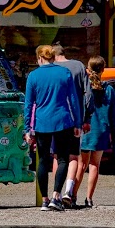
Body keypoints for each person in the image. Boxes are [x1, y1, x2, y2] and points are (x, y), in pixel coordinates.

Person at [22, 44, 84, 210]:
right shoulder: (64, 73)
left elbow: (28, 104)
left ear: (40, 58)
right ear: (53, 57)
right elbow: (74, 100)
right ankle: (56, 196)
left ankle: (44, 199)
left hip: (42, 122)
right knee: (63, 158)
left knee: (42, 161)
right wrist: (78, 123)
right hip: (63, 121)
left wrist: (27, 128)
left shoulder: (33, 76)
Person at [78, 55, 115, 209]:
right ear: (103, 69)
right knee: (95, 165)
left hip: (85, 130)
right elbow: (114, 117)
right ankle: (89, 198)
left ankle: (73, 195)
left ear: (88, 69)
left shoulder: (83, 88)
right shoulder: (109, 90)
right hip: (101, 131)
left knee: (81, 165)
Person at [55, 46, 89, 199]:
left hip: (55, 119)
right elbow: (88, 94)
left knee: (57, 156)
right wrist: (86, 118)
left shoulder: (52, 68)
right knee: (73, 156)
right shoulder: (79, 66)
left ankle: (57, 193)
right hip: (75, 119)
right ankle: (69, 190)